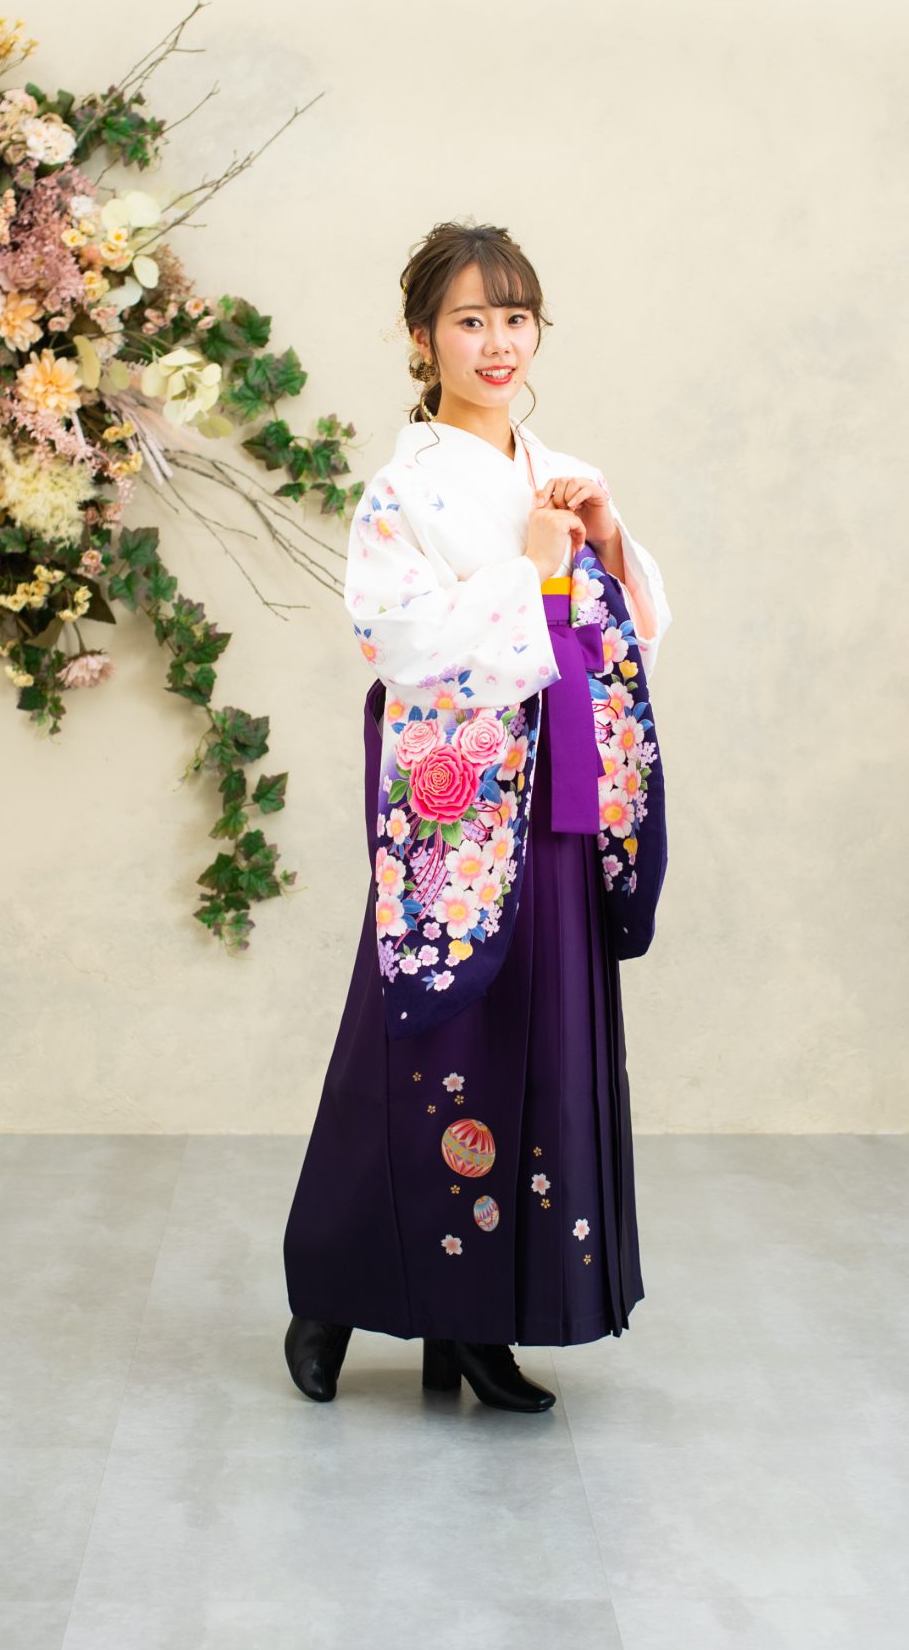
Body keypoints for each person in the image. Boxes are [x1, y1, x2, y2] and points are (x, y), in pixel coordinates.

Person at [282, 220, 672, 1413]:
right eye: (469, 320)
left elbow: (625, 634)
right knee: (421, 1044)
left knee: (538, 1046)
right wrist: (533, 571)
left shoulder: (559, 471)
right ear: (422, 339)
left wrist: (605, 541)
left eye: (515, 317)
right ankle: (331, 1290)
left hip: (557, 803)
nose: (498, 342)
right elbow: (398, 642)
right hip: (459, 822)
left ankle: (479, 1322)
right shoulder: (403, 490)